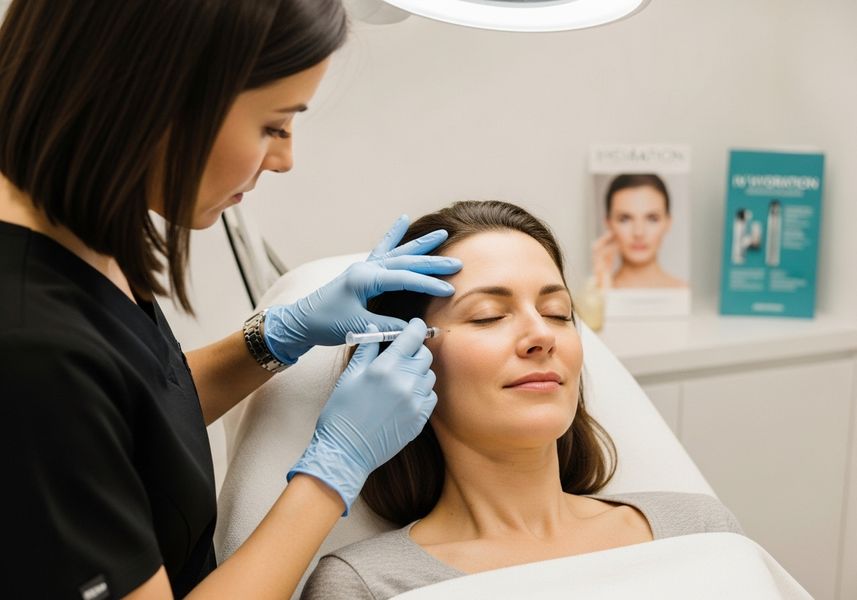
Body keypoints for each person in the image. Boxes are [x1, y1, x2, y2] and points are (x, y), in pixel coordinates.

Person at [0, 1, 462, 598]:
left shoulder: (74, 232)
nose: (285, 159)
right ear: (155, 94)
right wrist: (331, 473)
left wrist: (274, 338)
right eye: (274, 124)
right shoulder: (27, 347)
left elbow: (120, 415)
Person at [301, 201, 742, 600]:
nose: (541, 336)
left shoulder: (698, 530)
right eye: (488, 316)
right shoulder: (369, 585)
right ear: (403, 358)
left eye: (557, 313)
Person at [592, 173, 687, 289]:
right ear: (608, 223)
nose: (638, 233)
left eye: (652, 218)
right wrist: (602, 290)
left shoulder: (688, 294)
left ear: (668, 223)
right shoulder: (592, 296)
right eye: (625, 219)